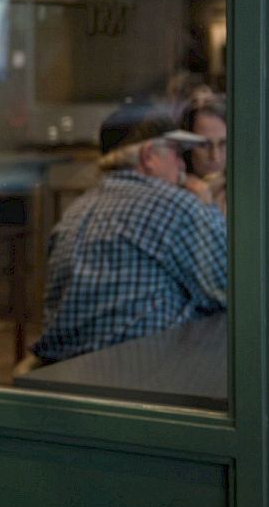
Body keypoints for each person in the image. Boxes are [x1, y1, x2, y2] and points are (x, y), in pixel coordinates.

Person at [29, 103, 227, 365]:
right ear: (148, 156)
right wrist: (205, 202)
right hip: (140, 374)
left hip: (64, 372)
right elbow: (231, 289)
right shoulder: (174, 205)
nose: (182, 163)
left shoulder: (76, 211)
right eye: (176, 152)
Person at [181, 95, 227, 213]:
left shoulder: (250, 191)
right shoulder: (173, 194)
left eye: (223, 144)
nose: (215, 157)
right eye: (203, 145)